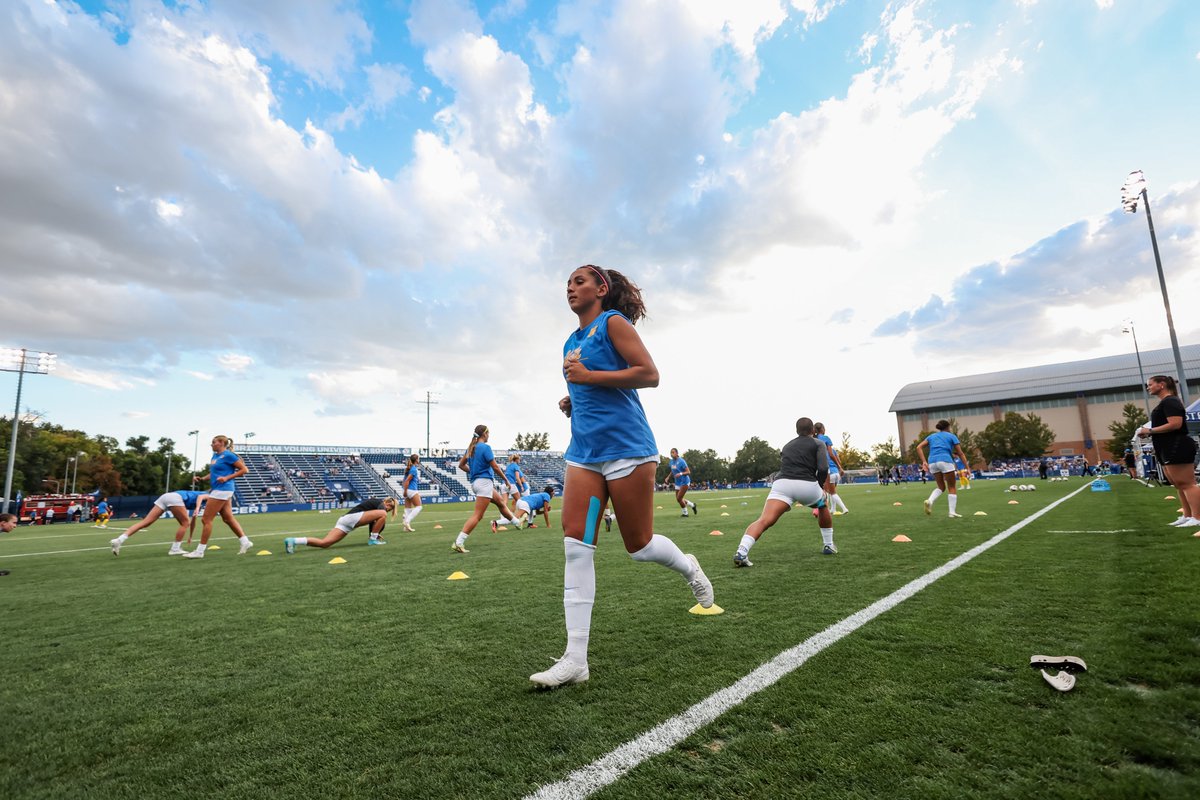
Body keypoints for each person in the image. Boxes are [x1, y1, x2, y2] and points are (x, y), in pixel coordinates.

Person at [529, 264, 714, 690]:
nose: (571, 288)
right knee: (576, 547)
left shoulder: (614, 323)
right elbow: (592, 386)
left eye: (579, 281)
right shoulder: (571, 340)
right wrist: (574, 398)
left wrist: (590, 378)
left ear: (601, 288)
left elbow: (648, 374)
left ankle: (689, 567)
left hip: (628, 450)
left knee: (639, 545)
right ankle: (576, 659)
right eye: (568, 283)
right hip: (584, 455)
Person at [734, 417, 835, 567]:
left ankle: (741, 552)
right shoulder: (818, 443)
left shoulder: (787, 445)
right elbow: (822, 468)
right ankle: (828, 545)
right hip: (806, 484)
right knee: (822, 505)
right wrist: (820, 487)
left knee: (764, 520)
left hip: (782, 485)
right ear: (813, 430)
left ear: (796, 430)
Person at [1137, 375, 1200, 527]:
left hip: (1177, 445)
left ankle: (1197, 517)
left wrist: (1150, 430)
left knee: (1187, 483)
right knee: (1178, 484)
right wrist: (1149, 432)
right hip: (1166, 446)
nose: (1148, 388)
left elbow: (1175, 424)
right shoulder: (1165, 403)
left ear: (1162, 384)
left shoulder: (1171, 401)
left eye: (1150, 384)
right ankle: (1187, 515)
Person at [452, 425, 522, 552]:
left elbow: (461, 465)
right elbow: (495, 467)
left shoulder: (471, 448)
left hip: (476, 483)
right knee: (478, 516)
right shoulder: (485, 447)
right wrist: (506, 480)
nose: (489, 436)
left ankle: (517, 523)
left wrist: (472, 471)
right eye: (488, 433)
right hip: (484, 483)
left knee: (500, 502)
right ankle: (459, 542)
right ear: (484, 434)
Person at [184, 435, 254, 559]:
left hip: (223, 490)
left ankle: (200, 551)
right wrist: (202, 478)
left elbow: (244, 470)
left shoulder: (228, 455)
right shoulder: (215, 456)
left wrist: (226, 478)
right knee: (228, 518)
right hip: (219, 490)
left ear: (221, 443)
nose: (211, 444)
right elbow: (213, 473)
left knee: (206, 520)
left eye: (213, 442)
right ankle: (245, 542)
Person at [109, 490, 211, 556]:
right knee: (184, 523)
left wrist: (191, 536)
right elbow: (200, 498)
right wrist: (197, 507)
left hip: (166, 496)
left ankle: (119, 540)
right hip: (175, 498)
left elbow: (193, 519)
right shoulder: (209, 495)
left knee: (146, 522)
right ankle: (175, 549)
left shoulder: (204, 499)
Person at [285, 497, 398, 551]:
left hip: (344, 521)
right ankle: (373, 541)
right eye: (390, 507)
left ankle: (293, 541)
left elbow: (373, 522)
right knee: (383, 514)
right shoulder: (380, 503)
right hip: (351, 518)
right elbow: (381, 514)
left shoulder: (378, 506)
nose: (389, 509)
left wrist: (374, 533)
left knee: (325, 543)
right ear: (387, 502)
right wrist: (374, 535)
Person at [917, 420, 970, 518]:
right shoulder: (951, 436)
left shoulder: (931, 436)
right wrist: (967, 467)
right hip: (945, 460)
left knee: (941, 487)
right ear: (948, 427)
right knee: (952, 487)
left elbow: (919, 447)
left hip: (932, 462)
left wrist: (924, 461)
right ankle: (952, 512)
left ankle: (930, 501)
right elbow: (961, 453)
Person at [813, 423, 849, 514]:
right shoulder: (826, 439)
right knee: (831, 491)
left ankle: (843, 508)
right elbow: (832, 455)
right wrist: (839, 467)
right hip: (833, 471)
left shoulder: (813, 440)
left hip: (823, 469)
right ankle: (832, 509)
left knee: (830, 492)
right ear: (822, 429)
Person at [668, 448, 699, 517]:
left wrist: (681, 474)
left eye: (673, 452)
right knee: (679, 499)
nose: (671, 454)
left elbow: (688, 472)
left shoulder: (682, 461)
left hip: (684, 481)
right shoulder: (671, 462)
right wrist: (668, 477)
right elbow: (672, 470)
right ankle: (692, 505)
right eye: (671, 452)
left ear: (677, 453)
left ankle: (685, 513)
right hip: (677, 482)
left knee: (679, 498)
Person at [401, 454, 423, 531]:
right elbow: (407, 481)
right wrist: (405, 491)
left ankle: (406, 527)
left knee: (408, 509)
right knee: (419, 507)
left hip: (407, 489)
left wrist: (404, 490)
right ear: (416, 460)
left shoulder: (409, 468)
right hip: (411, 489)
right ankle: (407, 521)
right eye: (418, 458)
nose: (419, 460)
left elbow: (404, 481)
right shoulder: (413, 469)